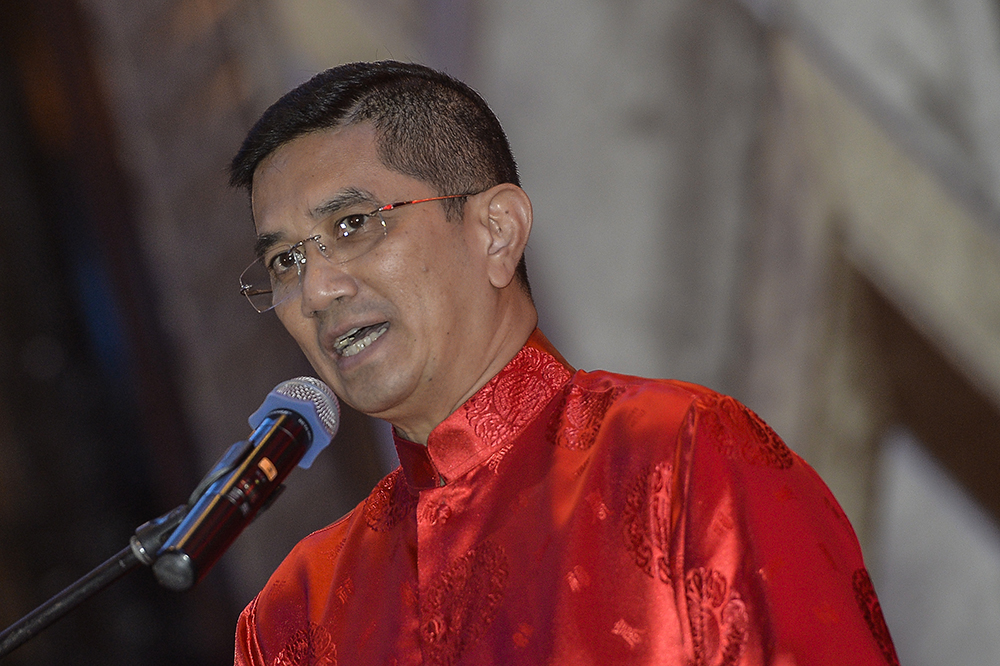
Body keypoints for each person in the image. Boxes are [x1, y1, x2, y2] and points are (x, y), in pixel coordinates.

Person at [228, 61, 898, 665]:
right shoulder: (295, 618)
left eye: (352, 225)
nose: (317, 290)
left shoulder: (680, 455)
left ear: (497, 231)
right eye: (286, 260)